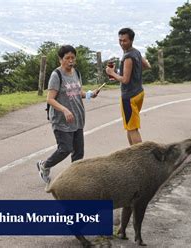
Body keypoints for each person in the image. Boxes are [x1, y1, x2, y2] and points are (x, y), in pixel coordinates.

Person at [36, 45, 99, 184]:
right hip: (61, 120)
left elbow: (77, 92)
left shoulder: (76, 73)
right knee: (65, 149)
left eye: (73, 58)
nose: (70, 61)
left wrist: (89, 94)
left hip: (77, 118)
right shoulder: (56, 75)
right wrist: (64, 109)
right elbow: (50, 99)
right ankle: (45, 165)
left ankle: (75, 180)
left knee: (78, 152)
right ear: (60, 59)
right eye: (67, 58)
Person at [105, 27, 151, 146]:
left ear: (131, 40)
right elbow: (146, 65)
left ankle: (140, 156)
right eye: (120, 40)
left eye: (124, 40)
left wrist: (112, 73)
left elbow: (125, 80)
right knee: (130, 126)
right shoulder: (136, 52)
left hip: (129, 97)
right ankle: (132, 152)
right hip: (139, 92)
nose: (121, 43)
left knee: (132, 128)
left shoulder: (128, 57)